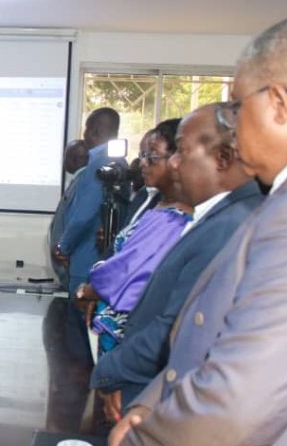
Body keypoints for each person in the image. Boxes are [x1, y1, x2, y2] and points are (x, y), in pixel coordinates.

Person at [108, 14, 287, 446]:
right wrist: (149, 405)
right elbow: (208, 332)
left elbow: (247, 393)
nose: (231, 125)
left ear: (278, 103)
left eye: (235, 106)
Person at [90, 106, 262, 419]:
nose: (173, 163)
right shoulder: (217, 215)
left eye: (181, 151)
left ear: (223, 158)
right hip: (148, 380)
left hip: (157, 388)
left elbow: (176, 326)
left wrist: (110, 370)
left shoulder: (230, 225)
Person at [75, 119, 192, 353]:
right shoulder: (158, 207)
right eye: (142, 155)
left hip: (134, 337)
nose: (143, 163)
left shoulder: (173, 219)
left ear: (177, 160)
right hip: (118, 327)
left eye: (152, 156)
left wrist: (86, 292)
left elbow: (126, 271)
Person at [53, 108, 122, 292]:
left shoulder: (99, 165)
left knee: (78, 309)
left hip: (85, 263)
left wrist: (63, 247)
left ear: (94, 131)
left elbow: (84, 214)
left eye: (86, 128)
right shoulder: (119, 162)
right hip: (102, 262)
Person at [48, 140, 89, 288]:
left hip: (73, 268)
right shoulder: (79, 181)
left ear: (73, 159)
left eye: (65, 156)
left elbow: (79, 220)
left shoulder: (83, 183)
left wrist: (62, 248)